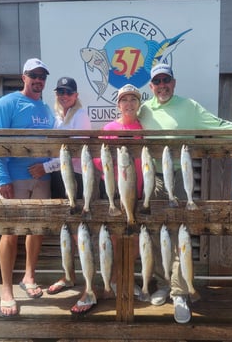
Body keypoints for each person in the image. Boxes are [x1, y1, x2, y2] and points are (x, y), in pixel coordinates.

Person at [138, 62, 232, 324]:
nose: (162, 86)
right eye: (157, 82)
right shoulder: (143, 110)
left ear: (174, 83)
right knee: (155, 236)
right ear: (151, 86)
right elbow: (121, 128)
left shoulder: (189, 107)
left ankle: (180, 292)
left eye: (166, 80)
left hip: (177, 177)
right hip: (151, 180)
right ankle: (164, 284)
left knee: (177, 236)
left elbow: (217, 126)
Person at [0, 58, 55, 317]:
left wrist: (47, 168)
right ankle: (6, 290)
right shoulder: (7, 103)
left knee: (36, 229)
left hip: (42, 178)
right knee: (10, 233)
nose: (38, 79)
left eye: (42, 75)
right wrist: (2, 178)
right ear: (23, 77)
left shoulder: (47, 108)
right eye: (33, 75)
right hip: (14, 179)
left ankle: (29, 276)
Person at [28, 77, 91, 304]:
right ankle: (69, 276)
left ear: (75, 95)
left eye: (68, 92)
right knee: (65, 231)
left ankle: (89, 285)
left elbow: (73, 154)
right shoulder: (56, 116)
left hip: (75, 178)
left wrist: (45, 167)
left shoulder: (81, 115)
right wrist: (49, 167)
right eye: (60, 91)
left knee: (78, 234)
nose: (63, 95)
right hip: (58, 178)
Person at [93, 84, 143, 302]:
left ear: (138, 104)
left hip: (139, 193)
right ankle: (115, 279)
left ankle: (126, 278)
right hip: (114, 193)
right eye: (124, 100)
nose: (129, 104)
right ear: (118, 104)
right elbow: (96, 160)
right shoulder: (109, 129)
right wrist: (112, 169)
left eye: (133, 100)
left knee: (136, 242)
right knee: (114, 239)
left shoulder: (144, 129)